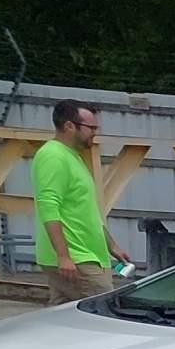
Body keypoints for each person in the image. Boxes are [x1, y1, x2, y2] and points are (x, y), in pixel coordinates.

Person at [35, 100, 120, 303]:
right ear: (69, 126)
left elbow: (86, 210)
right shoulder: (53, 157)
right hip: (77, 257)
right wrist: (64, 256)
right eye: (91, 127)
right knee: (104, 311)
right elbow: (48, 206)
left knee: (64, 318)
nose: (94, 132)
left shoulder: (72, 157)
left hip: (83, 254)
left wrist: (111, 245)